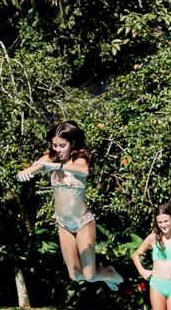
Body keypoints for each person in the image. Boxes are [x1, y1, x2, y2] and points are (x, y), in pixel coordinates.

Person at [17, 121, 122, 288]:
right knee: (75, 276)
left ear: (72, 143)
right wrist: (24, 173)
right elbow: (31, 169)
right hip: (63, 223)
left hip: (83, 222)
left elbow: (84, 171)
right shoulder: (49, 158)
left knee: (90, 275)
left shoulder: (80, 158)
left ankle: (109, 273)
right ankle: (103, 273)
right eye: (54, 144)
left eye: (62, 145)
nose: (57, 149)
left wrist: (57, 166)